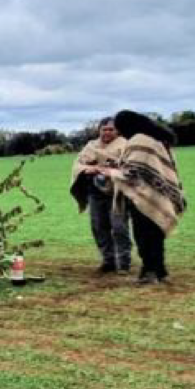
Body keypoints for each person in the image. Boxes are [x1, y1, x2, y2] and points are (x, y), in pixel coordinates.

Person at [102, 110, 187, 284]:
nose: (118, 132)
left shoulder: (139, 140)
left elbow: (132, 172)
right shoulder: (157, 138)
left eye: (118, 128)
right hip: (159, 195)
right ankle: (160, 271)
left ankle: (149, 272)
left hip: (143, 195)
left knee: (143, 235)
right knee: (156, 234)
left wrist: (109, 171)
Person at [70, 117, 131, 273]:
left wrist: (110, 171)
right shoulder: (91, 146)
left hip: (117, 192)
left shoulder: (125, 146)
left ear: (117, 131)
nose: (108, 132)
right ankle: (108, 260)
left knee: (119, 227)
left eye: (111, 129)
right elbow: (78, 165)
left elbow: (130, 169)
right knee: (99, 227)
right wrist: (88, 169)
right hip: (95, 192)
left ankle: (123, 262)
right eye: (105, 129)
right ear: (99, 130)